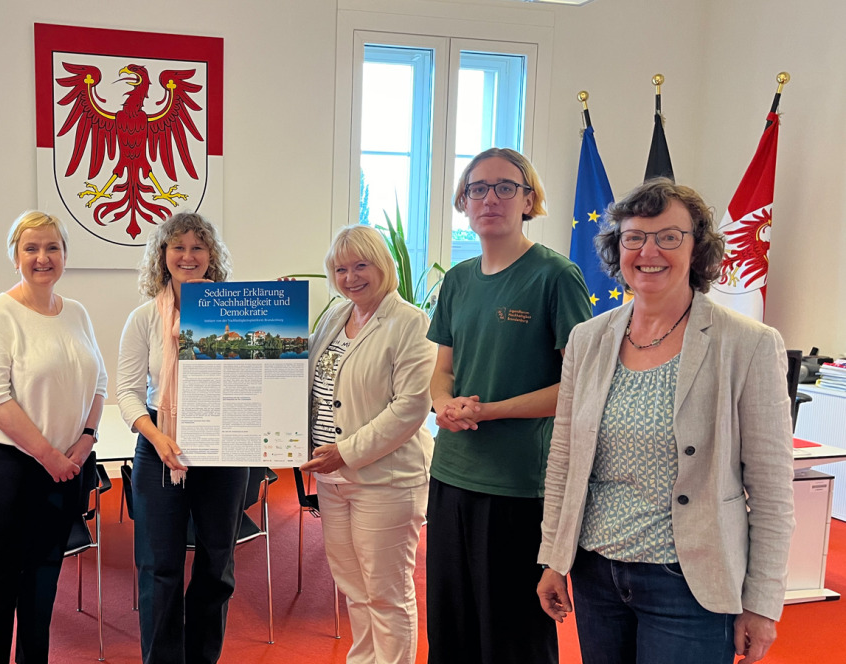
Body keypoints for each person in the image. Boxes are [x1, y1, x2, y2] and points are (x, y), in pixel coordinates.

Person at [536, 179, 795, 664]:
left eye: (669, 237)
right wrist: (554, 555)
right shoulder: (587, 339)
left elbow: (773, 488)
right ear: (618, 249)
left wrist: (763, 603)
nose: (648, 251)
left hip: (688, 584)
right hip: (597, 572)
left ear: (697, 250)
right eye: (634, 237)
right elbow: (565, 459)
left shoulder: (748, 344)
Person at [426, 148, 592, 663]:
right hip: (451, 475)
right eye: (478, 188)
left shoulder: (555, 276)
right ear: (463, 202)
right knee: (450, 627)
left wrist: (490, 411)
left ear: (529, 200)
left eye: (505, 187)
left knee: (512, 635)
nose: (490, 198)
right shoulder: (457, 279)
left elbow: (577, 387)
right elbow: (442, 370)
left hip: (519, 485)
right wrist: (443, 404)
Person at [0, 210, 107, 663]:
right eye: (31, 248)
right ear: (15, 256)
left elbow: (99, 383)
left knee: (45, 573)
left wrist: (85, 441)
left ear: (65, 254)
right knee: (2, 576)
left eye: (52, 247)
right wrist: (49, 456)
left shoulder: (78, 313)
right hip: (8, 465)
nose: (42, 257)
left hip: (67, 464)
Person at [301, 225, 436, 664]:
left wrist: (347, 452)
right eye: (341, 268)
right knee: (354, 588)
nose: (351, 277)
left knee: (387, 593)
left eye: (362, 265)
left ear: (384, 266)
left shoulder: (411, 324)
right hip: (332, 478)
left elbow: (411, 407)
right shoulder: (334, 317)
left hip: (386, 480)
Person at [117, 211, 248, 664]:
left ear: (211, 256)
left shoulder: (240, 311)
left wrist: (281, 304)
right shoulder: (142, 319)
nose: (188, 256)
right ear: (163, 255)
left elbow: (263, 377)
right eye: (178, 247)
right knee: (160, 569)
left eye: (198, 246)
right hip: (160, 446)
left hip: (226, 444)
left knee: (217, 565)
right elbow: (128, 394)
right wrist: (156, 437)